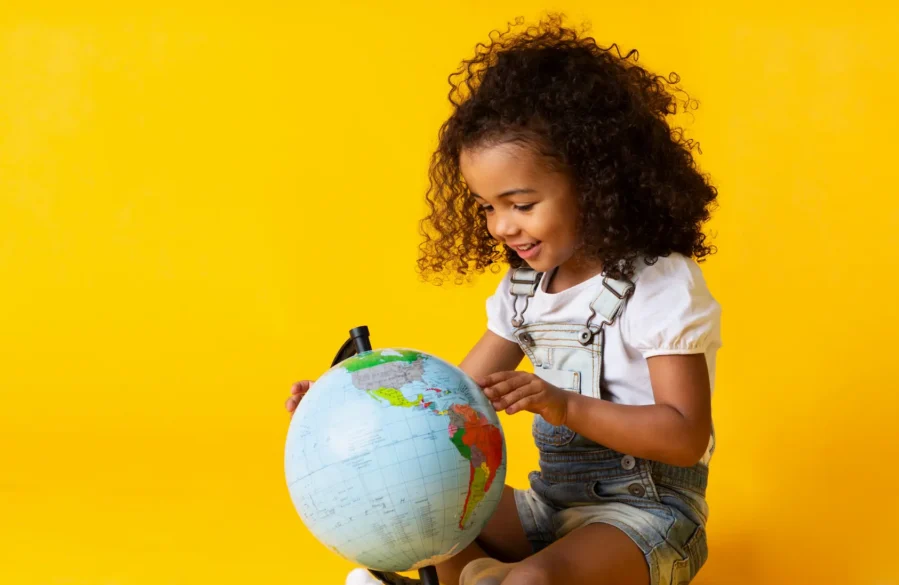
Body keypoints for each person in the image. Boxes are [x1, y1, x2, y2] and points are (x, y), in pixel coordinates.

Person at [286, 14, 722, 585]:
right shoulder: (522, 293)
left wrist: (565, 405)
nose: (501, 226)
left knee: (531, 582)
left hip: (646, 519)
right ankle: (475, 575)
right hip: (548, 511)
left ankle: (496, 578)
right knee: (421, 511)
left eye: (520, 203)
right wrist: (348, 403)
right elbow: (449, 406)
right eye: (487, 206)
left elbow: (685, 437)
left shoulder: (660, 285)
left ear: (594, 182)